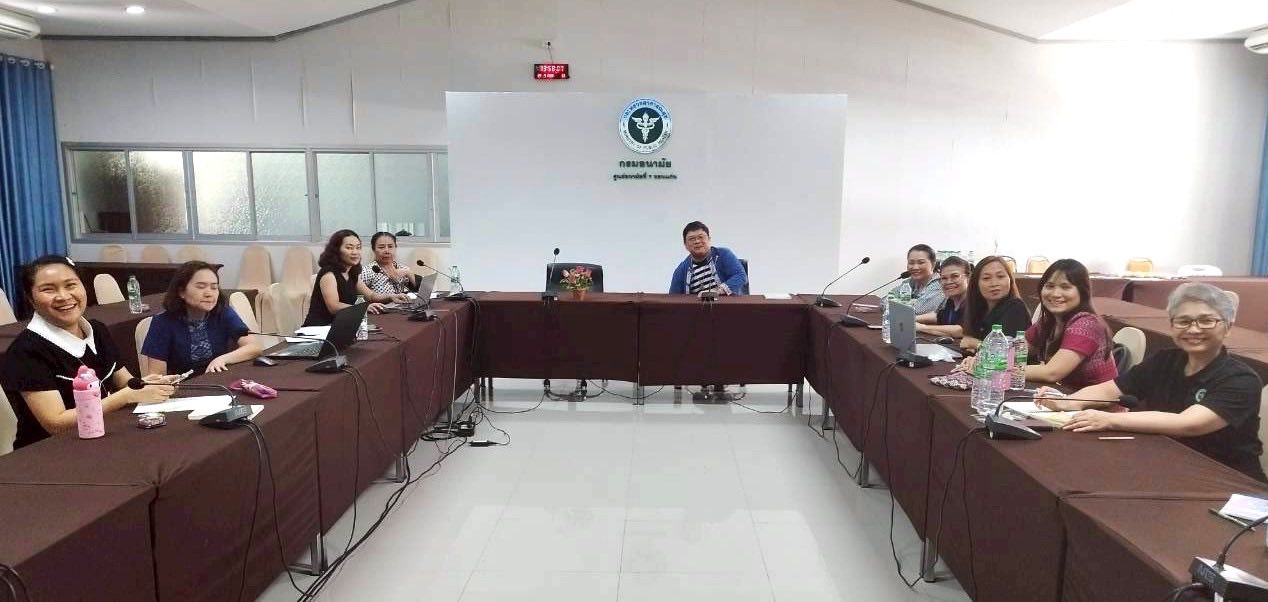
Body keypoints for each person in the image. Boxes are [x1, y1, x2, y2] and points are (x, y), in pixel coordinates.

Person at [1037, 283, 1265, 482]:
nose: (1194, 329)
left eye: (1206, 321)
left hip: (1227, 479)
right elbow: (1110, 390)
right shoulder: (1164, 360)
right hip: (1167, 463)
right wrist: (1067, 401)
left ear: (1228, 327)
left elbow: (1188, 424)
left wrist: (1110, 419)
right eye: (1183, 321)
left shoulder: (1240, 379)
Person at [0, 256, 174, 449]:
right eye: (48, 289)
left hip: (104, 434)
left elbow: (124, 381)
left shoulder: (97, 330)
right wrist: (125, 396)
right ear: (30, 299)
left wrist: (150, 384)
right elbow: (55, 424)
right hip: (52, 450)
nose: (63, 296)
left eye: (70, 285)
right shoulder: (26, 351)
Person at [141, 261, 263, 376]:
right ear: (181, 292)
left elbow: (254, 347)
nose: (209, 293)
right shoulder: (162, 323)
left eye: (214, 288)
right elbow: (157, 377)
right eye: (201, 287)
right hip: (184, 385)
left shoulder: (222, 312)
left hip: (219, 378)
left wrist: (222, 359)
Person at [1019, 259, 1117, 389]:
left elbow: (1051, 373)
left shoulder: (1087, 324)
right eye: (1050, 286)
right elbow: (1014, 351)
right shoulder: (1048, 322)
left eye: (1065, 287)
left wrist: (1004, 370)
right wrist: (998, 361)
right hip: (1065, 395)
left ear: (1082, 292)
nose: (1055, 294)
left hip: (1097, 401)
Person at [303, 230, 410, 327]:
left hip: (342, 326)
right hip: (319, 329)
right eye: (349, 248)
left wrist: (391, 296)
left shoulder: (352, 272)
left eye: (358, 248)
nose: (355, 252)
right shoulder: (329, 274)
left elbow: (371, 296)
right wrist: (363, 308)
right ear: (336, 250)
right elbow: (334, 307)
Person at [960, 255, 1030, 352]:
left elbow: (1005, 351)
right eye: (986, 278)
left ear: (1010, 279)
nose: (994, 283)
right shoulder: (979, 308)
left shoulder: (1016, 307)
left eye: (1000, 276)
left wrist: (976, 344)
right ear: (976, 284)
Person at [669, 221, 748, 296]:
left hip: (727, 304)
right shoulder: (681, 270)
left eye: (701, 237)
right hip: (695, 306)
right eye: (692, 239)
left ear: (709, 239)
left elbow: (741, 276)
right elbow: (673, 298)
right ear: (685, 245)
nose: (697, 241)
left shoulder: (723, 254)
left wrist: (717, 291)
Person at [916, 256, 970, 338]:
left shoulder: (974, 301)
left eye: (955, 276)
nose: (948, 282)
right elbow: (938, 317)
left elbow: (961, 330)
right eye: (944, 278)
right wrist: (911, 319)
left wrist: (922, 327)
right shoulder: (951, 300)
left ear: (968, 278)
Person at [889, 244, 945, 315]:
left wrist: (898, 303)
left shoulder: (938, 284)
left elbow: (917, 310)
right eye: (911, 263)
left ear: (933, 265)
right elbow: (885, 300)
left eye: (921, 262)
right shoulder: (910, 282)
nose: (915, 267)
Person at [361, 231, 418, 296]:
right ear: (373, 249)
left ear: (395, 248)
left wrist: (408, 273)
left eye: (390, 246)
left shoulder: (403, 269)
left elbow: (422, 291)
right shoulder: (367, 271)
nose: (387, 251)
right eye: (381, 247)